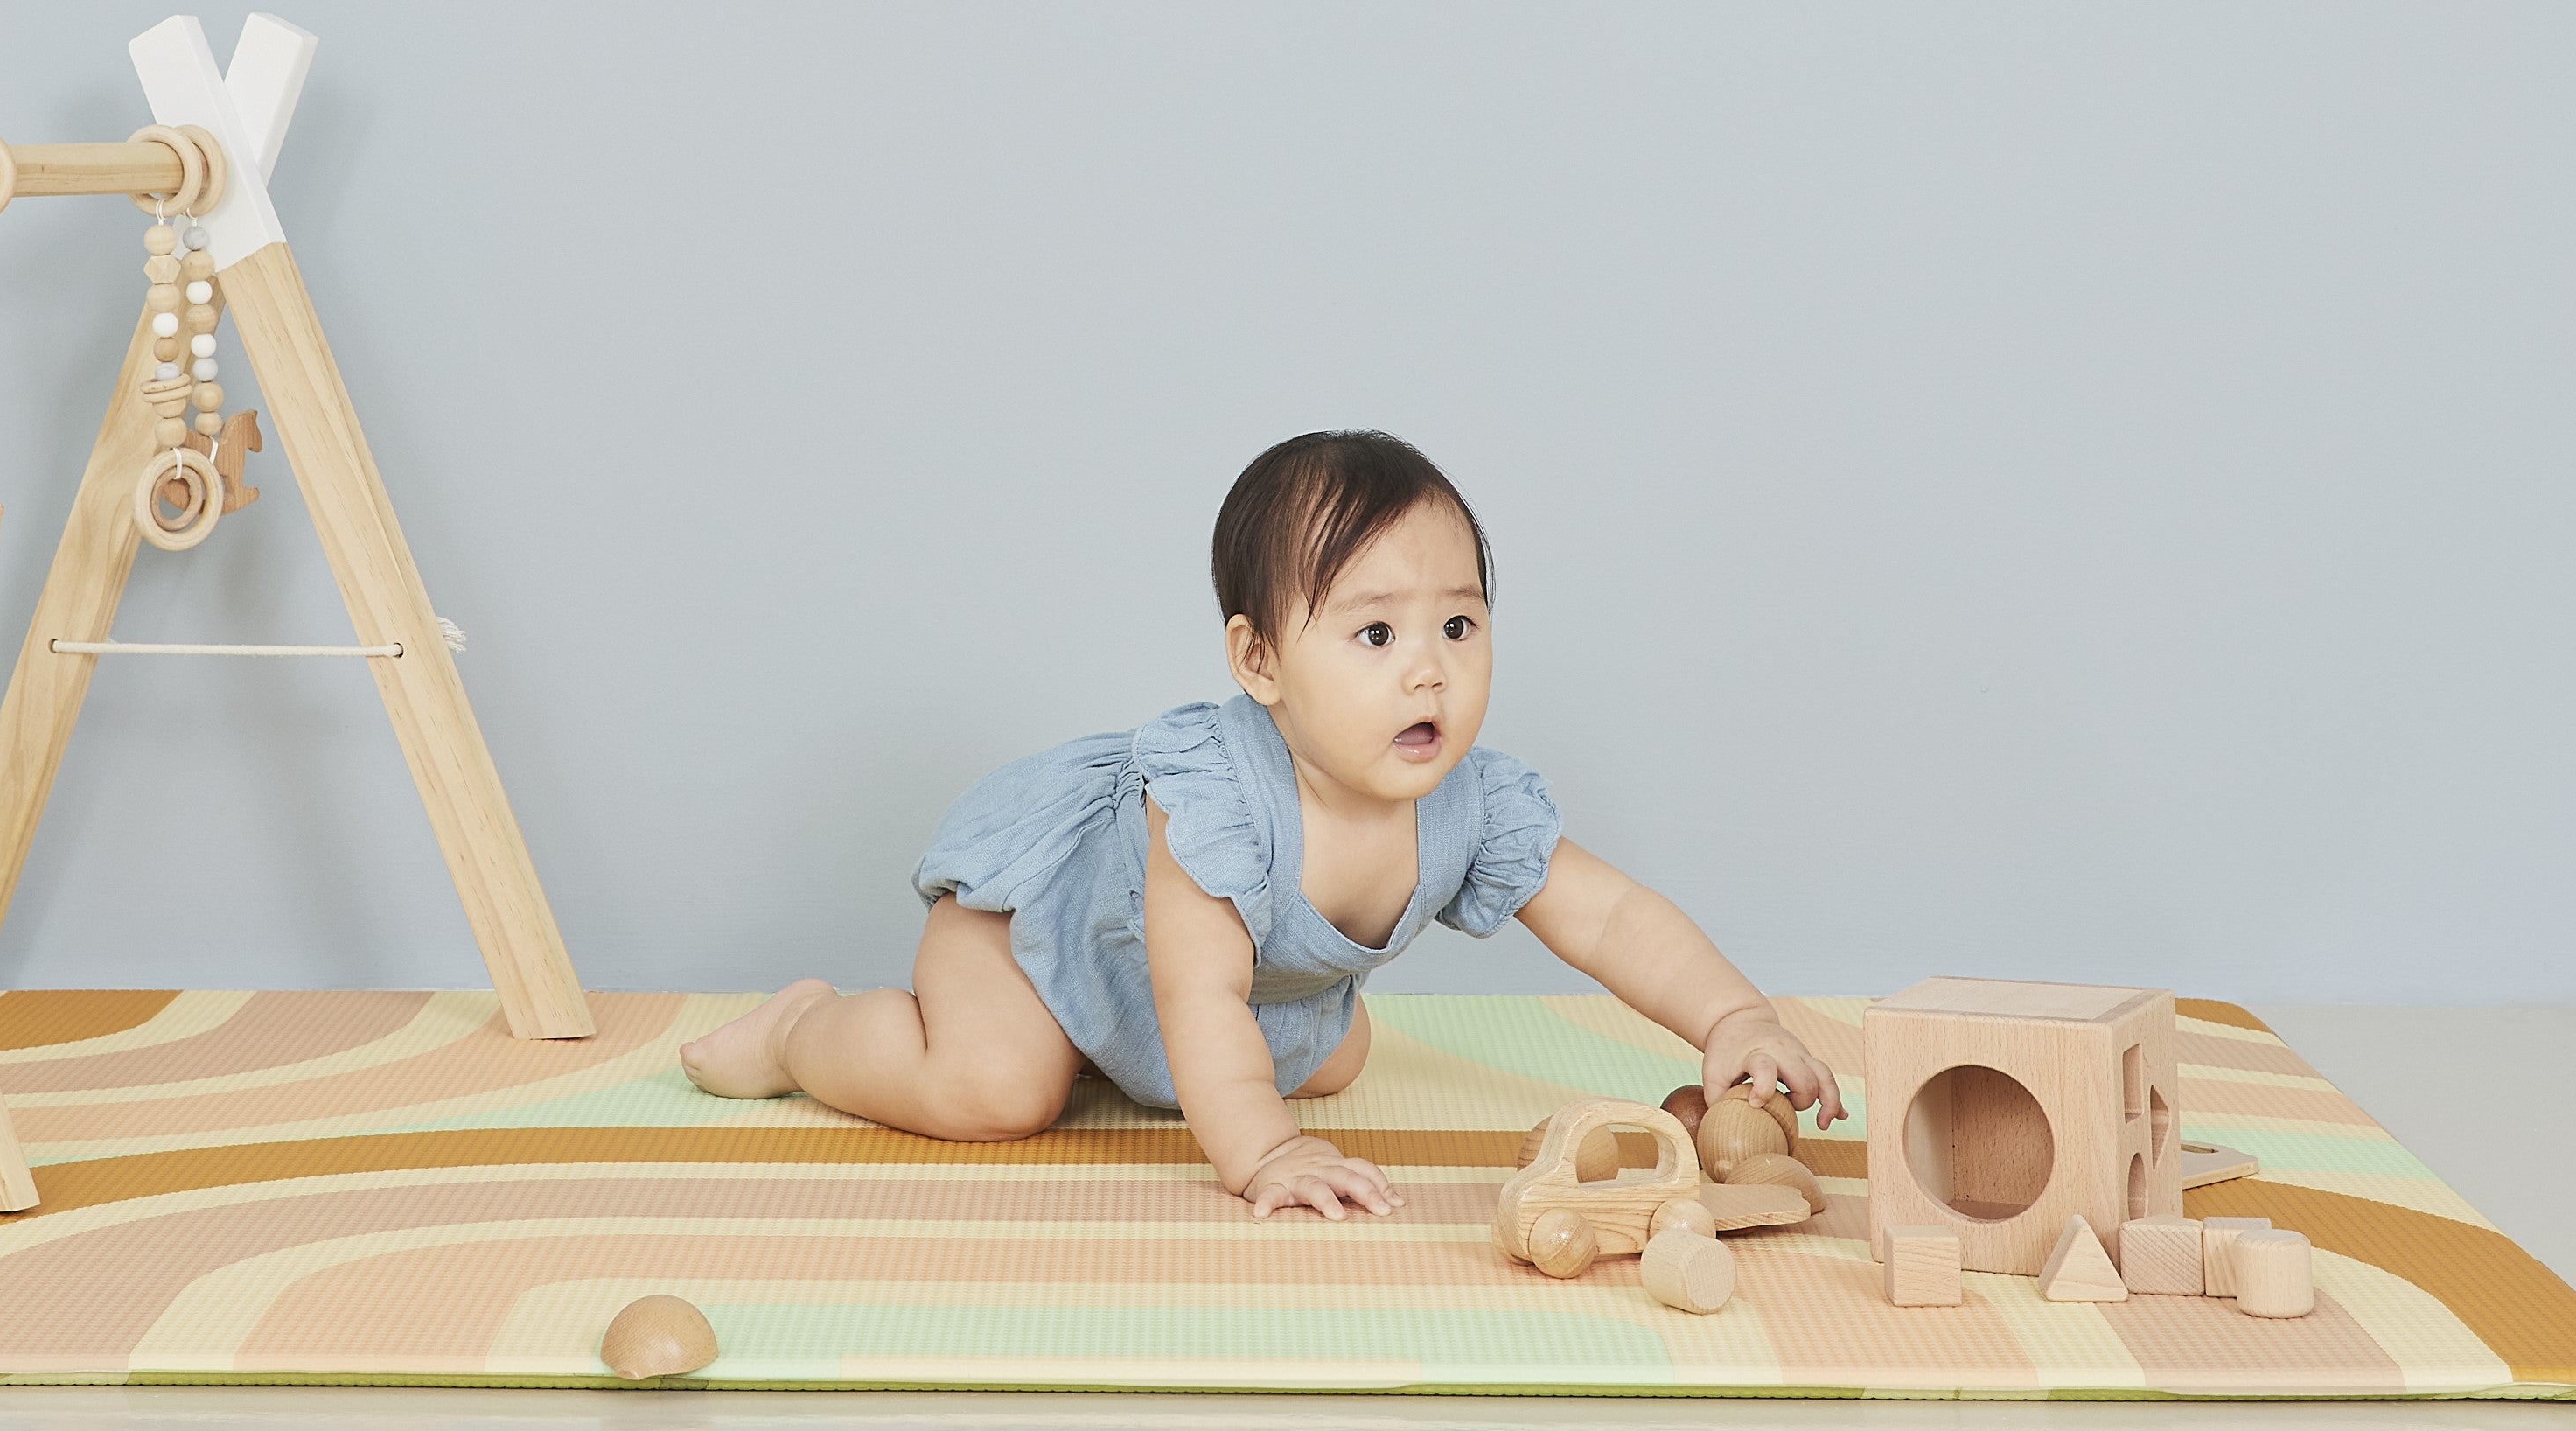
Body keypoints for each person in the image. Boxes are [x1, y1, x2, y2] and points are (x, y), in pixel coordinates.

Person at [679, 429, 1839, 1217]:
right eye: (1374, 636)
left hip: (1208, 1007)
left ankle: (1118, 1064)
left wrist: (1735, 1016)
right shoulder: (1218, 807)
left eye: (1458, 628)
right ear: (1259, 661)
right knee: (997, 1091)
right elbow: (1194, 994)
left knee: (1330, 1053)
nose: (1427, 675)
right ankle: (802, 1034)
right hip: (1041, 943)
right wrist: (1262, 1154)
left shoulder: (1471, 802)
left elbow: (1613, 917)